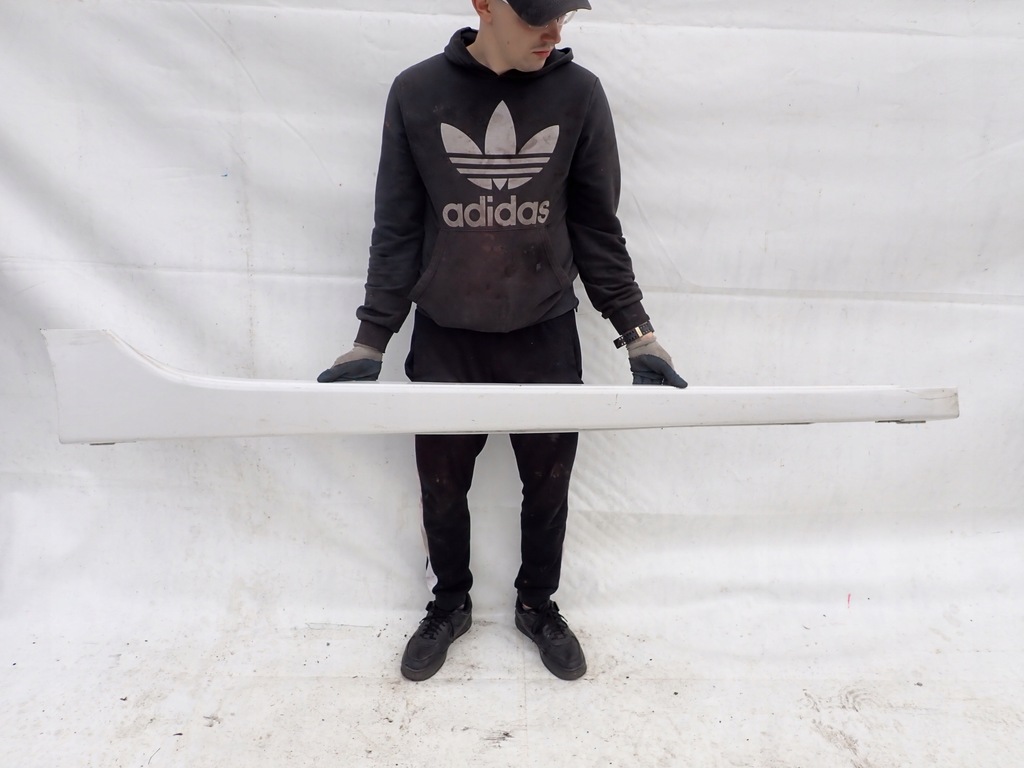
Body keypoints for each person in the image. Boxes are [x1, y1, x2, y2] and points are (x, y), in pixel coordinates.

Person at [318, 0, 687, 682]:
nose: (555, 31)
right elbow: (397, 228)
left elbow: (596, 228)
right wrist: (370, 340)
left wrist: (639, 334)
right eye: (538, 16)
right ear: (485, 5)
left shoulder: (578, 95)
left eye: (563, 16)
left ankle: (537, 606)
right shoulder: (418, 92)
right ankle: (449, 604)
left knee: (548, 489)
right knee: (440, 489)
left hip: (543, 336)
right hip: (446, 337)